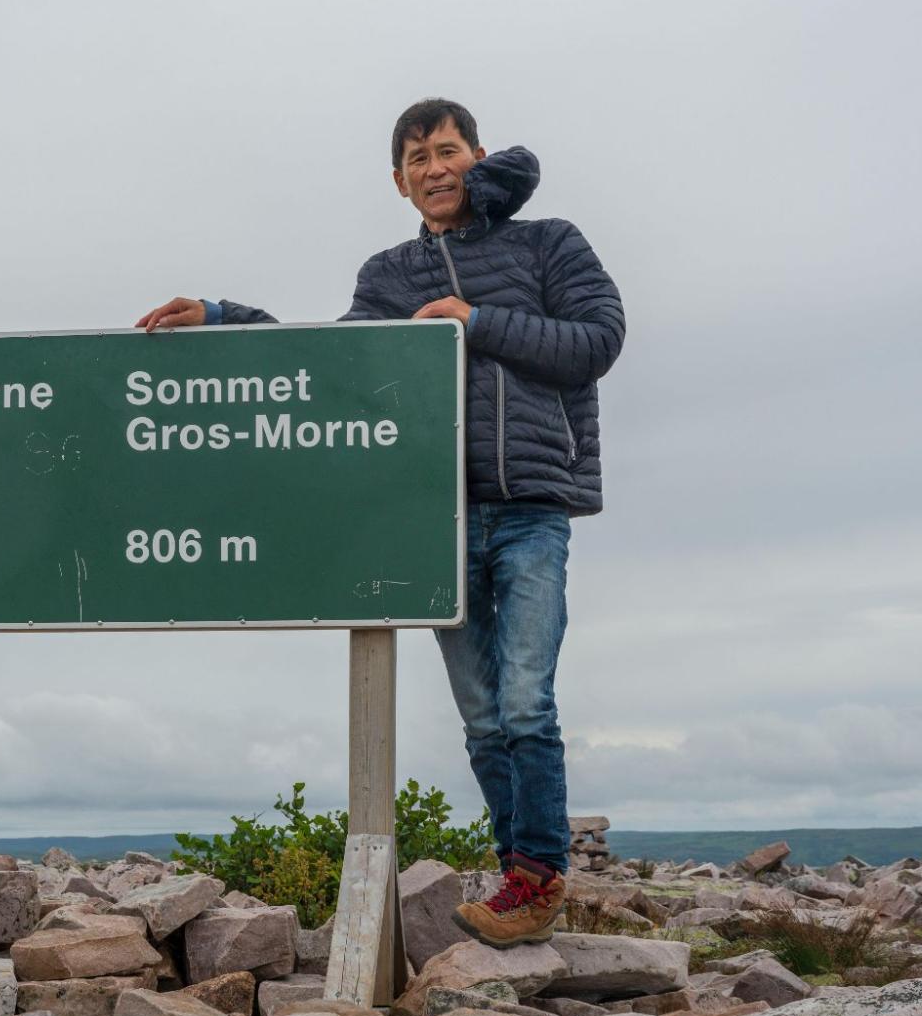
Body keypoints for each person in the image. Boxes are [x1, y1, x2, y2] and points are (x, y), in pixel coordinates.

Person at [135, 100, 625, 946]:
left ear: (475, 154)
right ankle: (519, 876)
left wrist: (474, 320)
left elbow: (596, 340)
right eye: (415, 159)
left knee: (523, 701)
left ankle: (537, 876)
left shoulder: (550, 243)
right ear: (398, 183)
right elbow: (333, 365)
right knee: (480, 714)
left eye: (446, 150)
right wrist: (223, 318)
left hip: (532, 506)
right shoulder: (389, 273)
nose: (433, 168)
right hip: (432, 516)